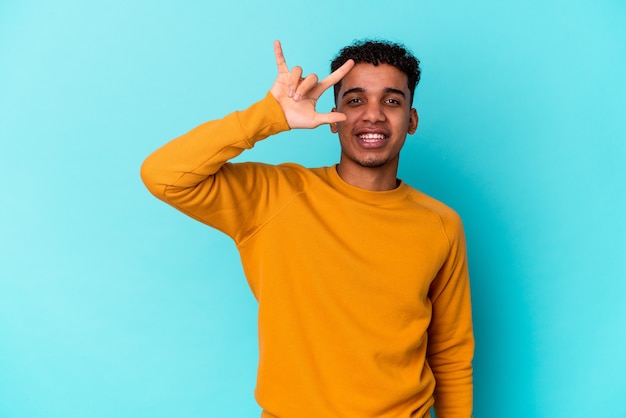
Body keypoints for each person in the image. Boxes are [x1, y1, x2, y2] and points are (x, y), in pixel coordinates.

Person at [141, 39, 474, 418]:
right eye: (355, 100)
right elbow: (163, 175)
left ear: (411, 121)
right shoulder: (273, 196)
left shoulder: (441, 224)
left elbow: (450, 355)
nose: (374, 115)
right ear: (332, 118)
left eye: (391, 101)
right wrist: (270, 116)